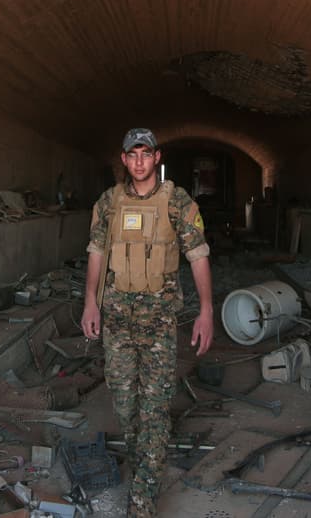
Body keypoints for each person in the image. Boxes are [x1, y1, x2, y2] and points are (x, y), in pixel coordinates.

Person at [81, 128, 214, 518]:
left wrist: (206, 311)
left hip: (158, 325)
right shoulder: (108, 203)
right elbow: (95, 253)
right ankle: (145, 469)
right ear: (123, 159)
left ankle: (141, 501)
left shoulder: (177, 202)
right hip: (118, 323)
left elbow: (199, 255)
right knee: (126, 406)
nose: (139, 161)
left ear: (157, 157)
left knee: (154, 409)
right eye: (132, 154)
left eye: (146, 154)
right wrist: (91, 303)